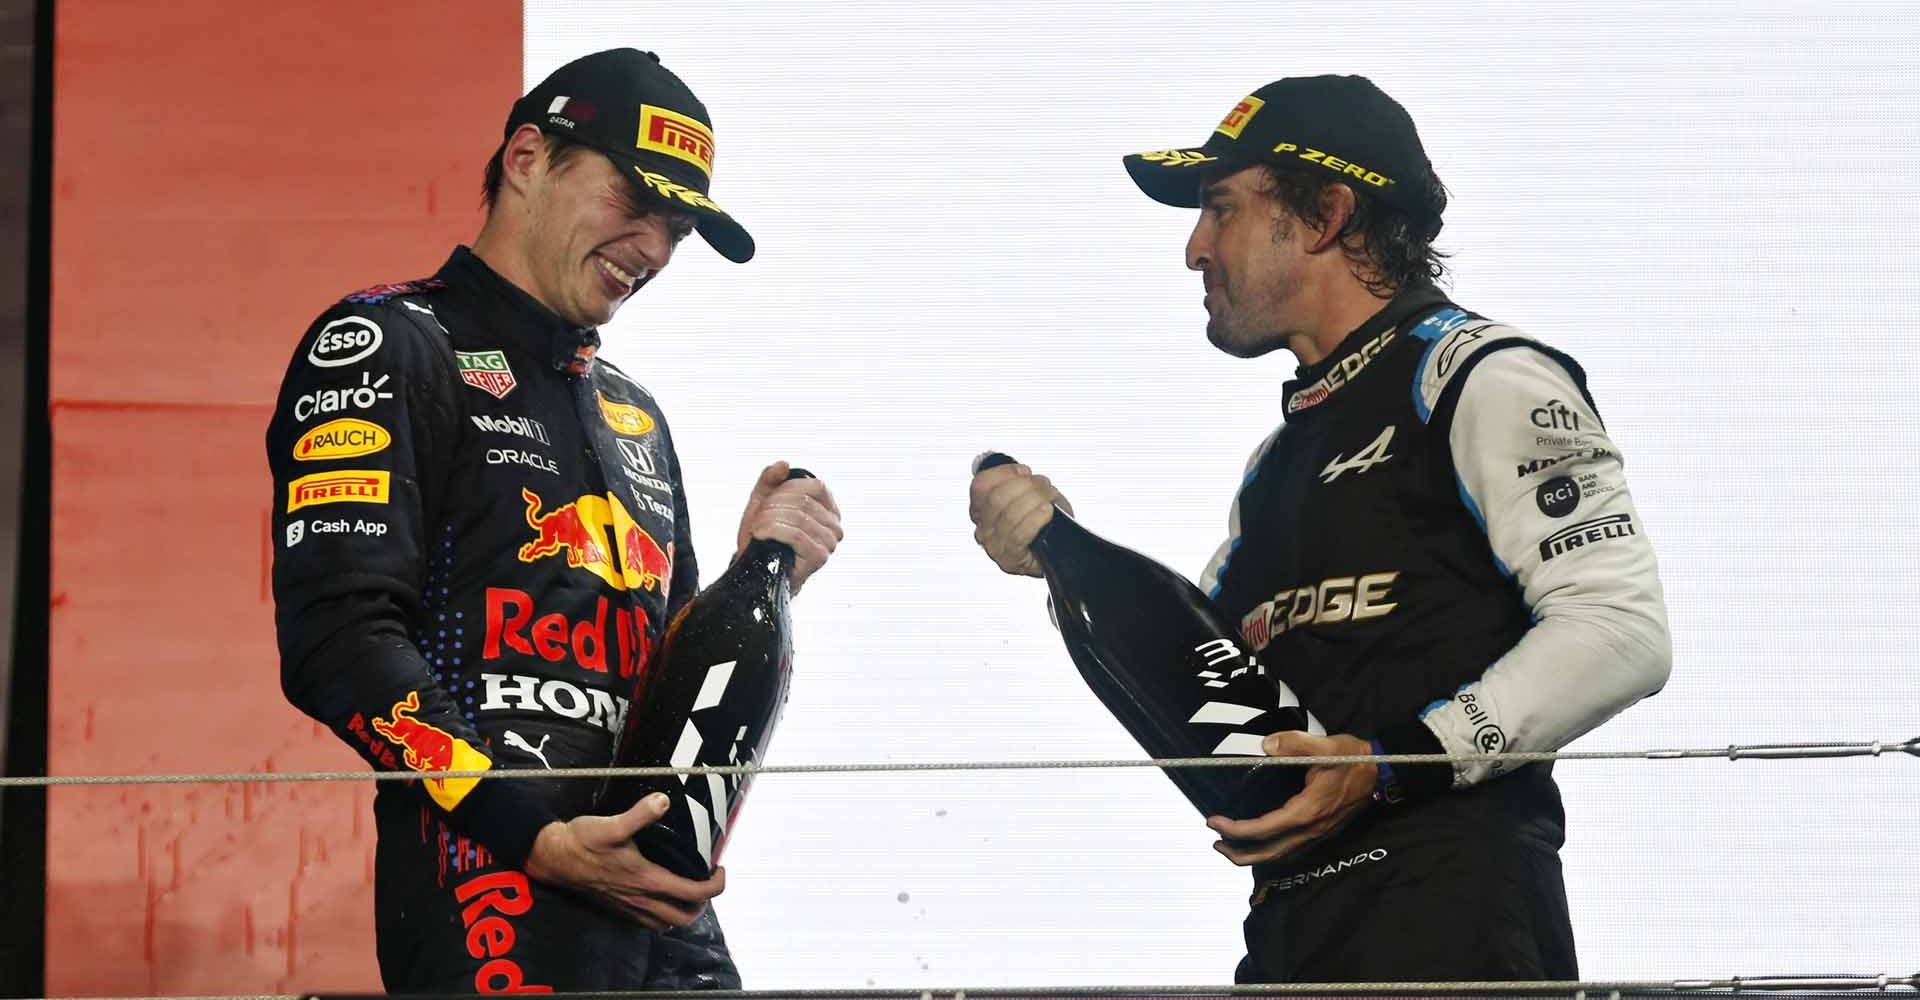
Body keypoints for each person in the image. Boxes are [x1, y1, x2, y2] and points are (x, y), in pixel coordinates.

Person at [967, 75, 1670, 982]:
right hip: (1292, 936)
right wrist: (1056, 557)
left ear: (1327, 213)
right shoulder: (1275, 465)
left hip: (1454, 922)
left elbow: (1622, 633)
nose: (1194, 248)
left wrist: (1390, 765)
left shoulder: (1481, 376)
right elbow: (1204, 677)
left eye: (1221, 208)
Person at [265, 48, 843, 992]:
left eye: (678, 228)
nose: (654, 251)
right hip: (486, 876)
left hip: (653, 900)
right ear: (528, 157)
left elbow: (668, 682)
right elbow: (337, 637)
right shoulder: (383, 343)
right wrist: (529, 831)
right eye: (634, 203)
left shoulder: (637, 417)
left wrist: (759, 572)